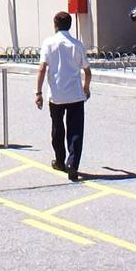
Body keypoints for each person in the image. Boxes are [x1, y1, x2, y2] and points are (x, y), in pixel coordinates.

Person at [34, 11, 91, 181]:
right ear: (70, 25)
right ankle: (73, 163)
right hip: (75, 94)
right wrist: (86, 88)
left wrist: (38, 92)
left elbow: (42, 68)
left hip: (56, 95)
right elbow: (87, 72)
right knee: (75, 130)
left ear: (55, 25)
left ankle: (59, 160)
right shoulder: (77, 44)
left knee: (57, 129)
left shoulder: (49, 43)